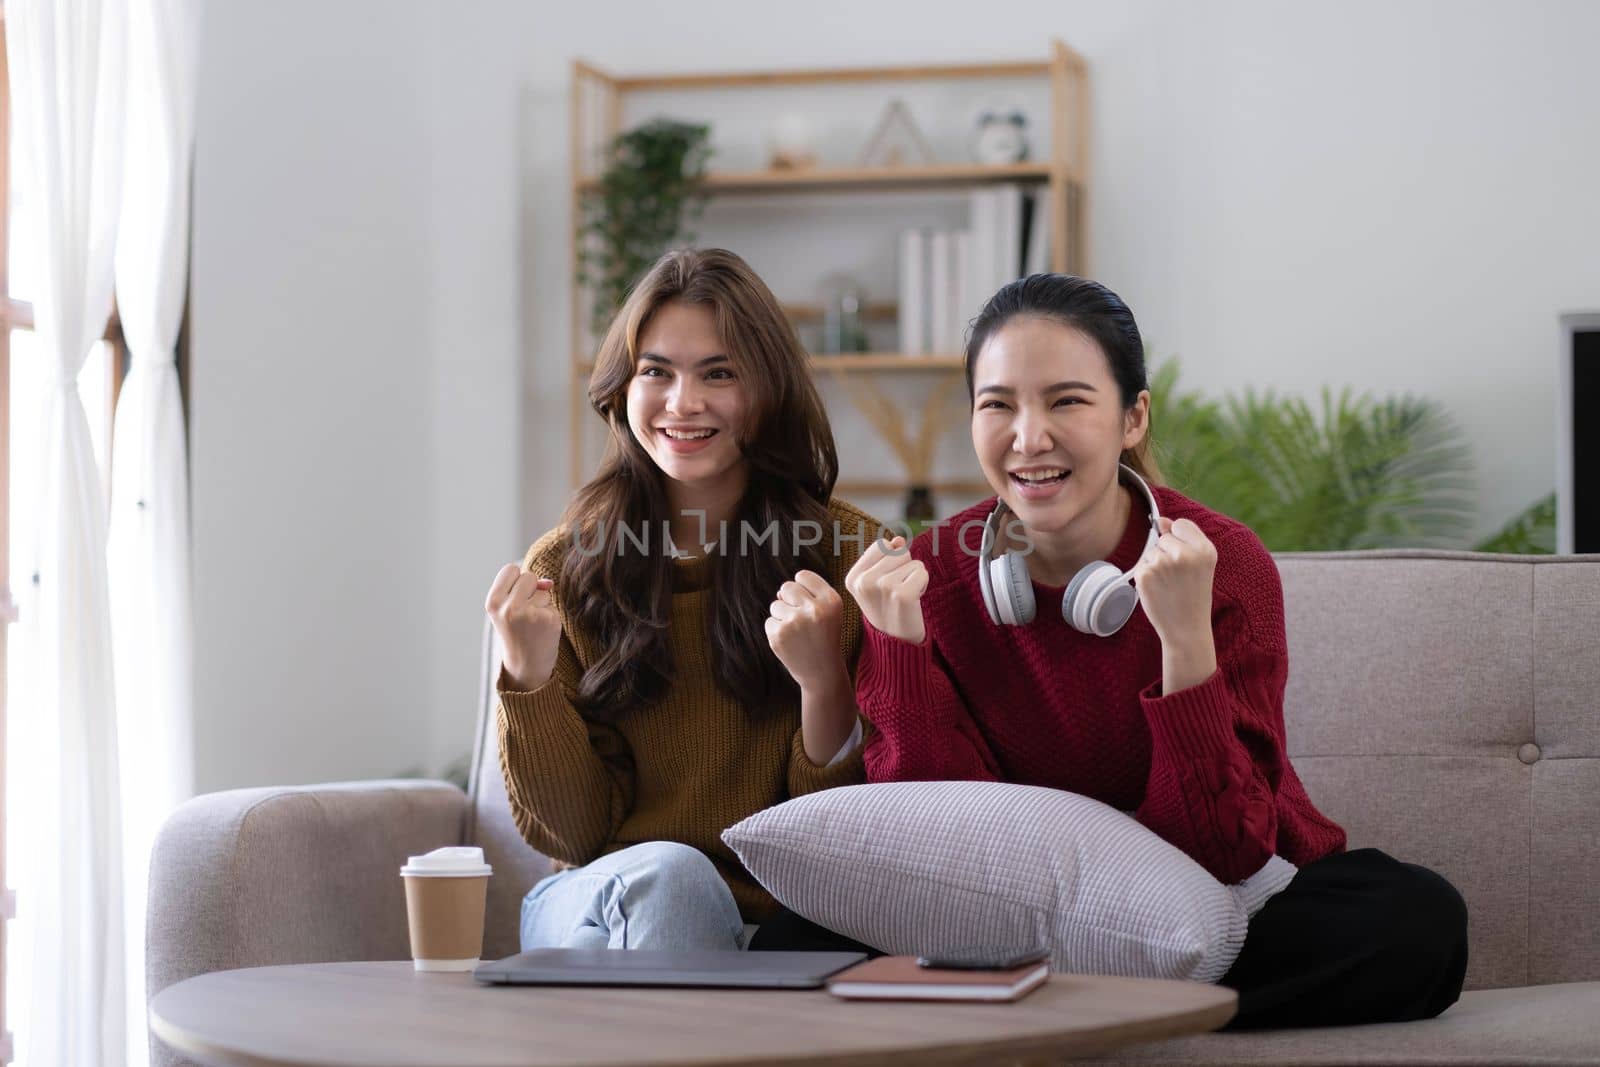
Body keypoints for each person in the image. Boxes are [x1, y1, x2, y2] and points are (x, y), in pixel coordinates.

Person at [845, 273, 1467, 1028]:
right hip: (1016, 915)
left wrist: (1184, 641)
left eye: (1067, 400)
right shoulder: (931, 574)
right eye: (998, 404)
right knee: (792, 943)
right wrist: (900, 652)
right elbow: (936, 848)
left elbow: (1224, 849)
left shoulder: (1223, 564)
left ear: (1133, 416)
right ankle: (1127, 1008)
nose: (1028, 436)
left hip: (1217, 897)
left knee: (1417, 919)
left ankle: (1065, 1010)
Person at [487, 248, 882, 953]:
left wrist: (825, 683)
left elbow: (839, 839)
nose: (683, 402)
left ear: (768, 390)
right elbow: (572, 834)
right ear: (622, 388)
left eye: (718, 373)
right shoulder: (566, 568)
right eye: (655, 372)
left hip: (781, 920)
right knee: (673, 879)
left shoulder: (850, 558)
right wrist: (527, 679)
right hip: (601, 901)